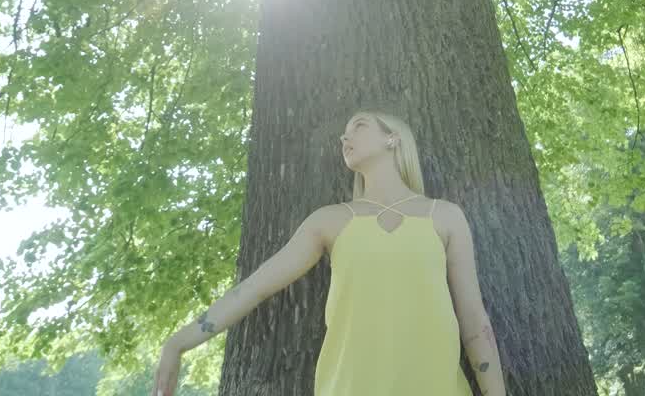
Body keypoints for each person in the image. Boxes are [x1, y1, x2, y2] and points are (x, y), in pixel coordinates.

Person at [151, 109, 506, 396]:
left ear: (393, 138)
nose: (344, 137)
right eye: (343, 133)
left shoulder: (445, 216)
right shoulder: (330, 221)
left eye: (359, 126)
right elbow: (254, 287)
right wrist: (178, 343)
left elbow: (474, 321)